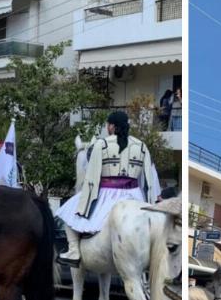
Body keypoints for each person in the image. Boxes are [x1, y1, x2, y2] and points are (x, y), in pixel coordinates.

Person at [55, 111, 157, 266]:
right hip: (134, 194)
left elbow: (92, 177)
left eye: (107, 125)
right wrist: (151, 205)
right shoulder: (142, 146)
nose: (106, 127)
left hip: (107, 193)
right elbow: (149, 181)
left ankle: (74, 250)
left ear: (112, 126)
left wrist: (85, 201)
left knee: (69, 211)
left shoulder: (101, 144)